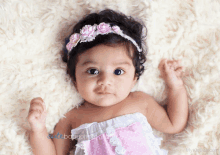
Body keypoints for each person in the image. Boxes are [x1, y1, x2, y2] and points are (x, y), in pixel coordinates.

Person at [27, 9, 188, 155]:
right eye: (92, 71)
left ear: (134, 78)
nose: (105, 81)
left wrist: (175, 86)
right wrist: (38, 130)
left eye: (118, 71)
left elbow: (174, 124)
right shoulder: (71, 119)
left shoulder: (140, 102)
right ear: (74, 77)